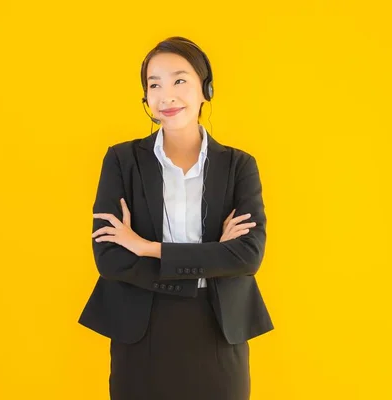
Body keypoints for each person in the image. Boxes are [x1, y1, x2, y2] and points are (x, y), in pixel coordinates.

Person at [78, 36, 274, 400]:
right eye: (155, 85)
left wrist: (147, 247)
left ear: (206, 89)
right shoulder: (122, 161)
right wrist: (212, 256)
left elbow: (248, 255)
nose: (166, 95)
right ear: (145, 98)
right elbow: (110, 258)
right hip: (141, 330)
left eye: (179, 80)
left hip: (218, 328)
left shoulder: (239, 165)